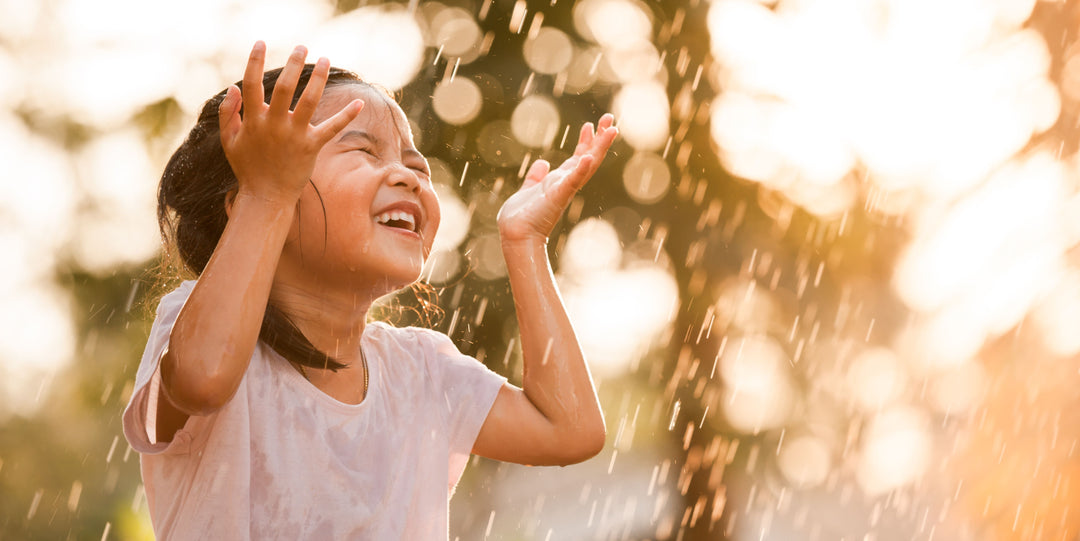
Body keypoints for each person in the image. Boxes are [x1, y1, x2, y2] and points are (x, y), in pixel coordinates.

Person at [121, 41, 616, 539]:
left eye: (416, 166)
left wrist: (525, 242)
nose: (407, 176)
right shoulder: (200, 329)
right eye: (362, 150)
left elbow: (569, 429)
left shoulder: (422, 372)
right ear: (247, 200)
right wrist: (266, 192)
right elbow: (203, 380)